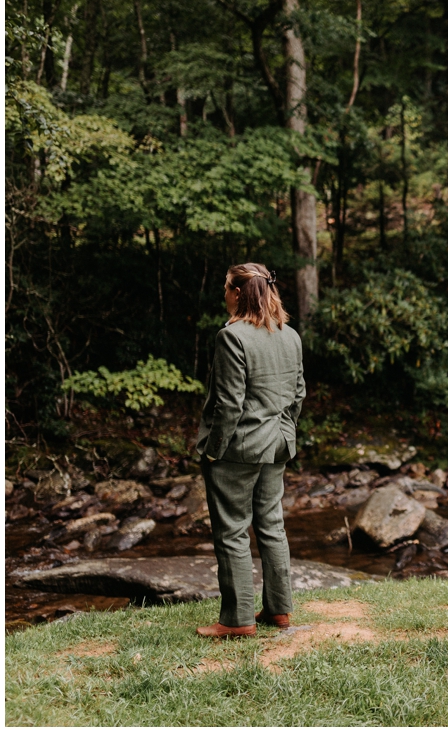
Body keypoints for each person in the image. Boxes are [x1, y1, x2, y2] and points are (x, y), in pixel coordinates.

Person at [194, 263, 306, 639]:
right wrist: (284, 432)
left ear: (238, 293)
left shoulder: (232, 337)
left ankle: (237, 619)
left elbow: (228, 404)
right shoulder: (290, 336)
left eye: (226, 288)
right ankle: (278, 610)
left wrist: (213, 451)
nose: (223, 295)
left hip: (237, 450)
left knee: (232, 532)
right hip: (277, 445)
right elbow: (298, 395)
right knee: (272, 526)